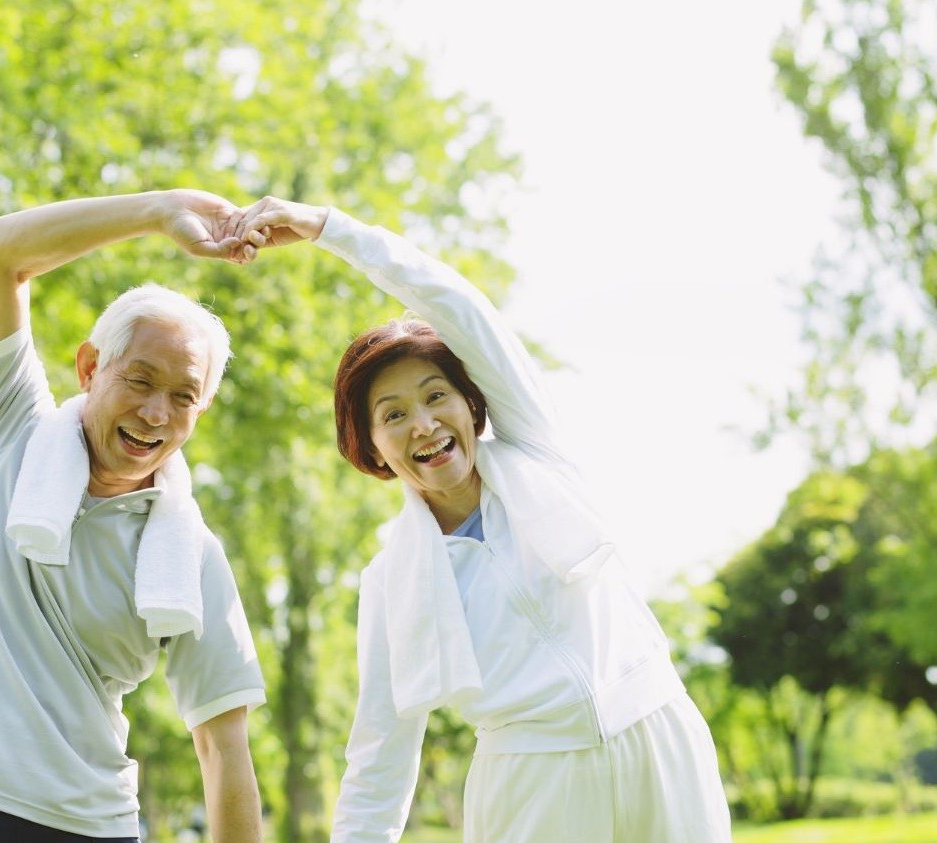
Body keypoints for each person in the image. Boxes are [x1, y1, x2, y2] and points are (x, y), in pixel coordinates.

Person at [230, 197, 734, 842]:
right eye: (393, 415)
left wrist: (330, 229)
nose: (423, 424)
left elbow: (459, 307)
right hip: (532, 787)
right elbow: (381, 750)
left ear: (472, 405)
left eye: (436, 396)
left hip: (658, 741)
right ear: (373, 449)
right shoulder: (392, 580)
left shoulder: (539, 456)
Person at [0, 190, 267, 842]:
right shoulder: (7, 427)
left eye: (182, 396)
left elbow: (223, 749)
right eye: (140, 380)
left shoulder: (192, 554)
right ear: (89, 367)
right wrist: (161, 212)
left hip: (88, 824)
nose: (156, 413)